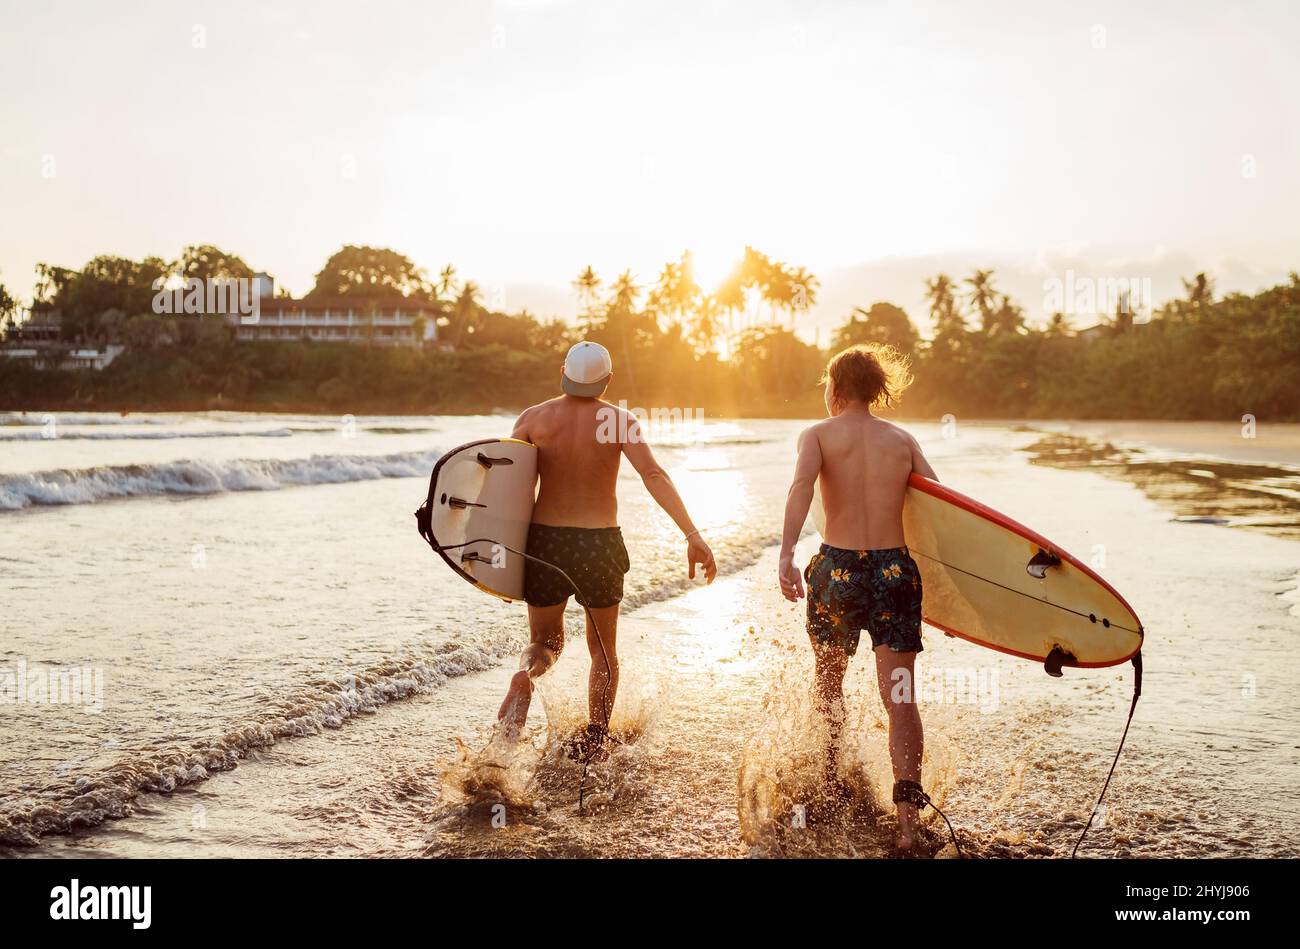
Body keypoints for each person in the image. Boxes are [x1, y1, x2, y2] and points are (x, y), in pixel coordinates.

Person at [498, 341, 717, 756]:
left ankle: (527, 675)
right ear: (608, 379)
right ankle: (597, 739)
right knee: (602, 650)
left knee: (546, 642)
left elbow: (509, 491)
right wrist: (692, 534)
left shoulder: (532, 419)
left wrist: (507, 559)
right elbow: (653, 474)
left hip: (545, 542)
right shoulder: (619, 421)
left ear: (562, 371)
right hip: (598, 543)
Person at [776, 343, 938, 853]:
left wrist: (784, 555)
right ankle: (908, 823)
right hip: (894, 572)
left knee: (829, 685)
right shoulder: (902, 438)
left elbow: (801, 488)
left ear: (836, 388)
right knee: (901, 697)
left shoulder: (818, 434)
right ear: (876, 389)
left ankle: (829, 786)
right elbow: (940, 506)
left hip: (838, 572)